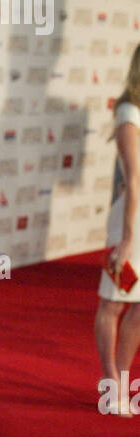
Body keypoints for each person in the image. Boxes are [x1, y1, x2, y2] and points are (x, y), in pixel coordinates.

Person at [94, 43, 140, 415]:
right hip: (131, 218)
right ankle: (110, 384)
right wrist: (126, 239)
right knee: (112, 302)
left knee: (139, 306)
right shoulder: (129, 111)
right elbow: (134, 178)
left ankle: (123, 382)